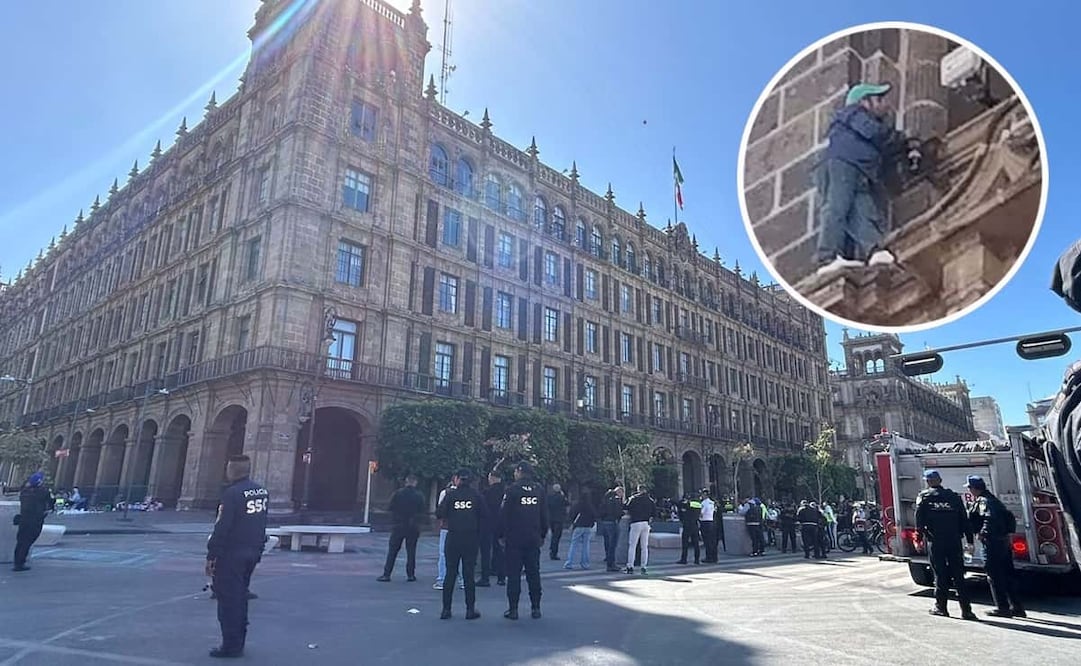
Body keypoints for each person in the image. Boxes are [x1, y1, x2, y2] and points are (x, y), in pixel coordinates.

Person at [814, 81, 910, 277]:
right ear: (864, 102)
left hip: (860, 169)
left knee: (864, 210)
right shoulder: (854, 113)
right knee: (838, 206)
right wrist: (902, 139)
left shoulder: (863, 120)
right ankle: (828, 256)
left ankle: (873, 250)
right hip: (844, 163)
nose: (885, 104)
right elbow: (874, 133)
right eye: (879, 99)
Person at [206, 455, 269, 658]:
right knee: (240, 596)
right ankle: (239, 638)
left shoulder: (231, 494)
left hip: (232, 554)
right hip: (253, 552)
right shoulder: (261, 491)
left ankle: (231, 646)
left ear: (232, 470)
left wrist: (211, 554)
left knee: (228, 601)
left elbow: (222, 527)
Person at [915, 469, 977, 621]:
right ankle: (967, 610)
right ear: (940, 480)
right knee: (958, 574)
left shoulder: (924, 497)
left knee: (940, 574)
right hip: (954, 541)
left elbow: (919, 520)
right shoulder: (954, 497)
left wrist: (918, 539)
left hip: (936, 541)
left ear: (928, 481)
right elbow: (964, 520)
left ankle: (941, 607)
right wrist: (970, 541)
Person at [965, 475, 1026, 618]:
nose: (969, 490)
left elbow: (989, 518)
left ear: (974, 488)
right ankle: (1017, 607)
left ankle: (1002, 607)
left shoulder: (984, 501)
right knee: (1007, 574)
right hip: (1003, 542)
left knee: (994, 575)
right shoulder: (993, 500)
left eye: (969, 487)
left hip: (992, 543)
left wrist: (983, 533)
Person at [500, 461, 548, 620]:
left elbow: (505, 515)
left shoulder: (512, 490)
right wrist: (542, 535)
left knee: (513, 575)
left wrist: (502, 535)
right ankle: (536, 608)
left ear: (520, 471)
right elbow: (544, 515)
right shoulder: (538, 490)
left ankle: (513, 609)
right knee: (533, 574)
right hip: (533, 538)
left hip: (515, 539)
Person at [436, 469, 486, 620]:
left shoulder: (451, 495)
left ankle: (446, 609)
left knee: (450, 573)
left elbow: (439, 513)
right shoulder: (476, 496)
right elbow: (484, 515)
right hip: (470, 538)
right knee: (468, 574)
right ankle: (470, 609)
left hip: (453, 537)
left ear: (457, 479)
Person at [378, 474, 426, 583]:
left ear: (406, 482)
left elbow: (390, 508)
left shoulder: (398, 494)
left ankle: (387, 574)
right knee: (411, 551)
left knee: (393, 551)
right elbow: (422, 511)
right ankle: (411, 575)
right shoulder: (419, 495)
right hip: (413, 526)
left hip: (398, 526)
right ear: (415, 483)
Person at [12, 471, 52, 572]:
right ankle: (20, 563)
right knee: (27, 542)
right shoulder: (42, 492)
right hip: (34, 521)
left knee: (21, 542)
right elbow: (50, 501)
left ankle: (17, 562)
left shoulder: (24, 492)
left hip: (24, 520)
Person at [477, 471, 506, 587]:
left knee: (485, 551)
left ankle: (485, 578)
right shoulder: (506, 492)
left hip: (487, 524)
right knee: (500, 551)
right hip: (502, 524)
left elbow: (482, 509)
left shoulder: (487, 492)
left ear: (493, 478)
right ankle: (501, 577)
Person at [624, 485, 655, 575]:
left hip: (635, 523)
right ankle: (643, 567)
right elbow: (654, 513)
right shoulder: (650, 500)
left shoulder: (633, 499)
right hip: (646, 524)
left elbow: (626, 508)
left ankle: (630, 566)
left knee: (632, 546)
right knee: (644, 547)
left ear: (638, 490)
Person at [563, 490, 596, 570]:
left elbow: (572, 514)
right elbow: (594, 515)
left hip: (578, 526)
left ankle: (569, 563)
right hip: (588, 527)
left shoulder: (577, 504)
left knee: (574, 545)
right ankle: (585, 563)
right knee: (586, 545)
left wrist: (573, 522)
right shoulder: (590, 505)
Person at [598, 486, 625, 572]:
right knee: (613, 544)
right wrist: (622, 513)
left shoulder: (606, 497)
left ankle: (607, 558)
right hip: (612, 522)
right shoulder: (616, 499)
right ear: (619, 492)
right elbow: (618, 512)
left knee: (607, 542)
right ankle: (611, 564)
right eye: (622, 493)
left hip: (605, 522)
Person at [677, 492, 702, 565]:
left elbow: (680, 506)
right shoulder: (698, 504)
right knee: (696, 543)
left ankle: (684, 559)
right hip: (695, 525)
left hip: (687, 525)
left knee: (685, 543)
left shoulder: (686, 504)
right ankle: (697, 560)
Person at [546, 483, 569, 560]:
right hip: (559, 519)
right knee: (557, 536)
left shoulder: (550, 497)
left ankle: (552, 550)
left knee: (554, 535)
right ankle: (554, 552)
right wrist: (563, 496)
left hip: (551, 519)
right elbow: (567, 503)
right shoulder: (561, 497)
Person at [699, 490, 718, 563]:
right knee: (713, 541)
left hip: (705, 522)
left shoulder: (704, 503)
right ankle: (714, 557)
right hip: (712, 522)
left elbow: (701, 513)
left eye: (703, 494)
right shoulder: (712, 503)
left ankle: (709, 557)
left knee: (707, 541)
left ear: (705, 495)